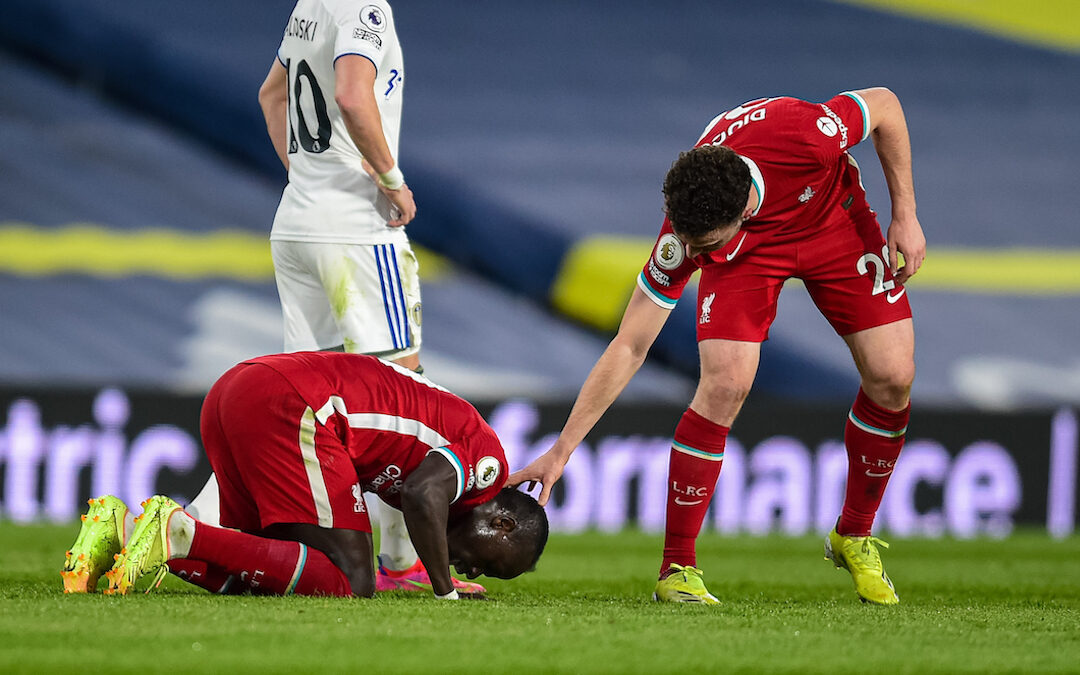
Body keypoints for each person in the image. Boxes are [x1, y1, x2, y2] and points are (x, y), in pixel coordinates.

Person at [510, 88, 925, 606]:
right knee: (726, 382)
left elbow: (884, 104)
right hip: (749, 256)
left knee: (893, 376)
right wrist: (562, 449)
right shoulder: (687, 230)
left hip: (829, 219)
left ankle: (854, 534)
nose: (692, 254)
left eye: (704, 246)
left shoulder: (806, 136)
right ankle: (677, 567)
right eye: (689, 242)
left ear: (739, 211)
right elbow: (631, 344)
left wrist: (904, 213)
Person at [189, 0, 452, 594]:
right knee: (402, 396)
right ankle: (401, 564)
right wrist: (391, 180)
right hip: (356, 232)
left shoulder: (310, 6)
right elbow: (354, 95)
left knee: (296, 403)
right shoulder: (365, 8)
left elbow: (271, 96)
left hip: (298, 223)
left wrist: (305, 180)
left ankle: (184, 530)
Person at [61, 352, 548, 598]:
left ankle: (119, 528)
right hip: (297, 406)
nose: (477, 572)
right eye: (493, 565)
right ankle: (177, 531)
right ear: (502, 523)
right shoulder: (490, 468)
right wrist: (444, 588)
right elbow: (423, 494)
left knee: (261, 574)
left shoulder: (458, 477)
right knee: (353, 578)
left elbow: (421, 498)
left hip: (240, 388)